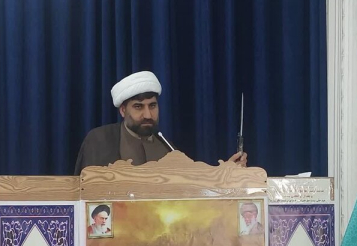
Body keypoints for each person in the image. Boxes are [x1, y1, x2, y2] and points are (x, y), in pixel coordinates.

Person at [74, 71, 247, 174]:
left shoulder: (167, 148)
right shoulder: (99, 140)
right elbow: (83, 191)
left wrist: (227, 172)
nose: (148, 114)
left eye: (152, 106)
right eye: (138, 107)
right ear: (123, 110)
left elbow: (194, 186)